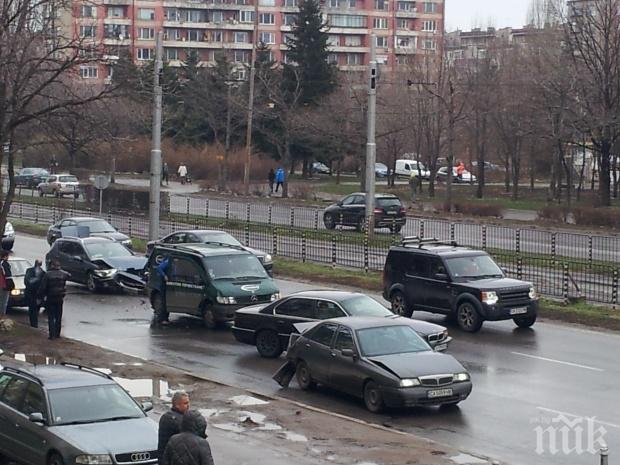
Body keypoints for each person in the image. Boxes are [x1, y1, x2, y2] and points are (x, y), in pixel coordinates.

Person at [38, 260, 69, 340]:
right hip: (60, 297)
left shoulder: (47, 275)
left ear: (51, 265)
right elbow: (69, 276)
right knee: (59, 316)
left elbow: (43, 287)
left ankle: (52, 335)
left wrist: (41, 296)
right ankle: (57, 334)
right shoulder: (63, 274)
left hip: (50, 297)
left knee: (51, 317)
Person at [158, 391, 191, 458]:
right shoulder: (177, 420)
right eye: (185, 403)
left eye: (188, 402)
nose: (188, 405)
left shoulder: (166, 416)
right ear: (177, 405)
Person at [24, 259, 45, 328]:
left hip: (38, 294)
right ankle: (33, 324)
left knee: (35, 309)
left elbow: (44, 285)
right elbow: (27, 281)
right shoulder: (30, 270)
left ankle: (34, 324)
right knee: (32, 309)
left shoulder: (43, 273)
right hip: (31, 293)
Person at [0, 250, 13, 319]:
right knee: (3, 301)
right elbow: (7, 275)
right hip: (4, 285)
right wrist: (11, 284)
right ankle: (2, 315)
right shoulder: (4, 264)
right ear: (5, 256)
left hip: (2, 284)